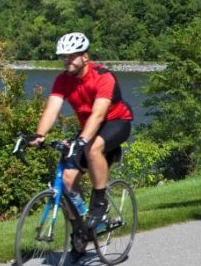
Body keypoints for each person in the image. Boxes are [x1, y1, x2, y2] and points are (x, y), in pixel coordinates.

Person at [29, 32, 133, 230]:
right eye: (63, 56)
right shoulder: (62, 80)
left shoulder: (104, 77)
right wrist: (40, 134)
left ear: (85, 56)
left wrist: (83, 139)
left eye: (71, 55)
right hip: (89, 128)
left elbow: (98, 115)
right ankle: (82, 231)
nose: (66, 60)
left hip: (116, 122)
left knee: (92, 148)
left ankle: (100, 204)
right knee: (67, 182)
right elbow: (52, 109)